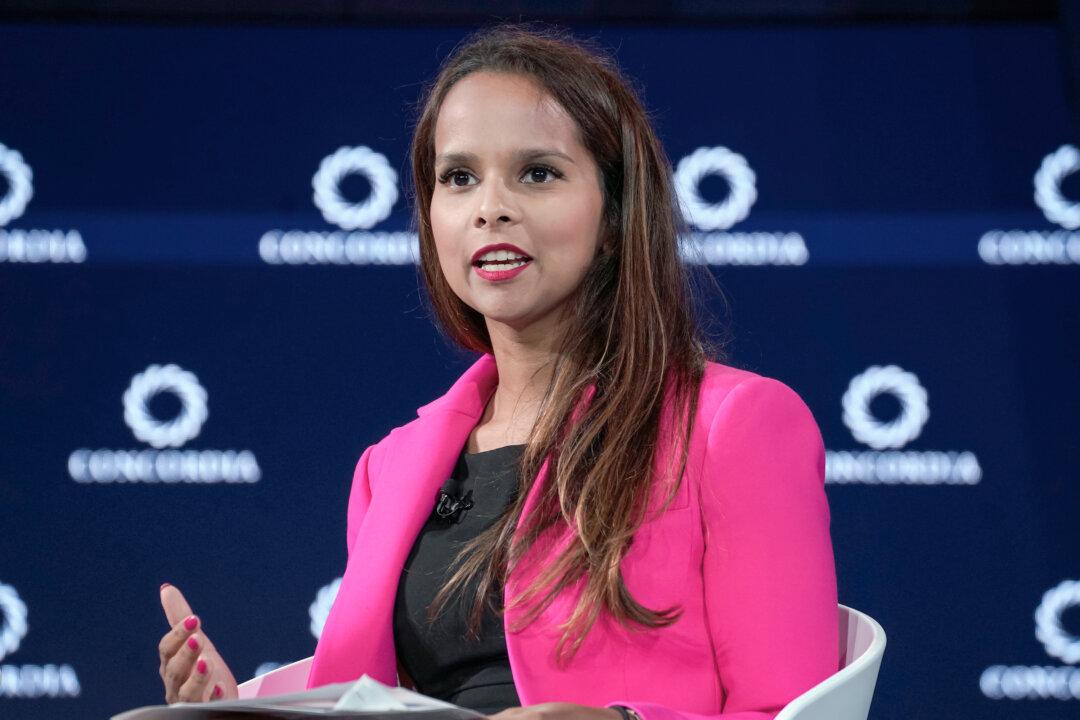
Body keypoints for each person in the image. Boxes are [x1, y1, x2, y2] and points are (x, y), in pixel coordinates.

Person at [157, 24, 838, 720]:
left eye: (537, 173)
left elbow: (796, 710)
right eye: (458, 178)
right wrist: (232, 713)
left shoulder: (734, 425)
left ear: (614, 214)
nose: (491, 209)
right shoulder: (387, 469)